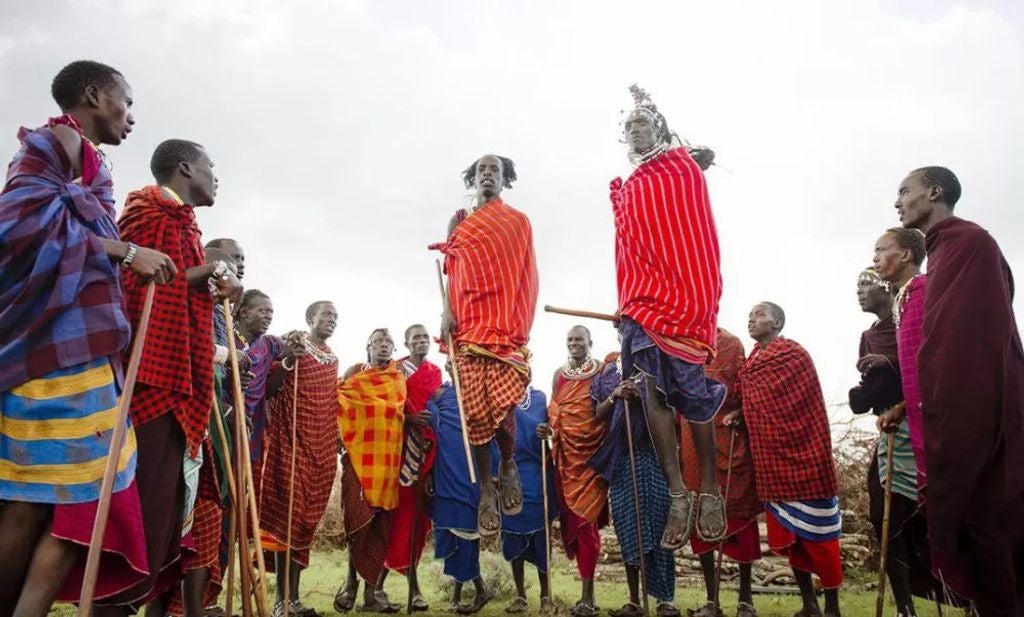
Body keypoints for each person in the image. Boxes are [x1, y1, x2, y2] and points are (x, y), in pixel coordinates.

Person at [0, 59, 175, 616]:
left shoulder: (87, 162)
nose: (131, 117)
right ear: (96, 94)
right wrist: (127, 251)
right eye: (127, 101)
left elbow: (72, 228)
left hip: (85, 352)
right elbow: (18, 225)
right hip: (49, 351)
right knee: (33, 502)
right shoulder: (56, 142)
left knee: (75, 501)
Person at [98, 139, 241, 614]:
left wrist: (211, 277)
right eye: (210, 165)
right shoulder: (151, 211)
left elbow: (178, 281)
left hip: (181, 383)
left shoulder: (183, 222)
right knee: (141, 508)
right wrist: (206, 272)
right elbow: (144, 293)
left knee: (162, 514)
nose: (216, 176)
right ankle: (110, 605)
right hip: (152, 382)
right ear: (185, 168)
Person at [896, 166, 1024, 615]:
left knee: (989, 523)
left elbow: (975, 339)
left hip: (979, 410)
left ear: (934, 192)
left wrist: (954, 403)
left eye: (905, 191)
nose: (898, 203)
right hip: (951, 406)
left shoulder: (971, 243)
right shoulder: (943, 252)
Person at [611, 84, 726, 550]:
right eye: (628, 126)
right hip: (641, 298)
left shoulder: (679, 167)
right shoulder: (635, 184)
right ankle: (678, 492)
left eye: (641, 123)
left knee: (693, 392)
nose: (634, 130)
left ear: (658, 127)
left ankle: (710, 490)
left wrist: (654, 106)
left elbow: (690, 217)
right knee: (649, 391)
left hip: (685, 294)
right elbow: (632, 243)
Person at [430, 153, 539, 537]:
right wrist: (445, 313)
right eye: (482, 170)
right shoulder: (460, 221)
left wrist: (519, 323)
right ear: (473, 178)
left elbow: (526, 275)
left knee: (503, 400)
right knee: (474, 412)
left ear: (505, 178)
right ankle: (487, 488)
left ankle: (508, 463)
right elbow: (452, 273)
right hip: (468, 328)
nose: (488, 175)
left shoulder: (518, 222)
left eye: (495, 170)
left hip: (504, 327)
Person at [849, 267, 941, 617]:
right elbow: (871, 388)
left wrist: (888, 364)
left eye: (865, 284)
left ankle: (957, 591)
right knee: (882, 513)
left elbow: (928, 366)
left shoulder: (912, 320)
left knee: (926, 511)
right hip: (888, 428)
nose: (859, 292)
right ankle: (905, 607)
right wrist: (864, 394)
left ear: (886, 288)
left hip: (921, 422)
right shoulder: (868, 335)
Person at [741, 302, 842, 617]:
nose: (751, 319)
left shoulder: (794, 356)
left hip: (807, 458)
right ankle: (809, 603)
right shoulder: (752, 362)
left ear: (777, 322)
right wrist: (737, 415)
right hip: (771, 462)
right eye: (749, 316)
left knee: (822, 539)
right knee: (791, 537)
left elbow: (806, 403)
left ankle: (833, 607)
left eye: (758, 314)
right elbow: (752, 405)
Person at [259, 301, 340, 617]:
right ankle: (281, 601)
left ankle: (293, 599)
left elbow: (330, 401)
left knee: (304, 524)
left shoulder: (332, 358)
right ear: (310, 319)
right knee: (288, 519)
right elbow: (271, 386)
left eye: (336, 317)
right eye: (326, 315)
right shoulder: (292, 343)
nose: (332, 320)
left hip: (321, 448)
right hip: (292, 443)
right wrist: (290, 360)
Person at [589, 350, 677, 617]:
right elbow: (598, 413)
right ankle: (634, 600)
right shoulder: (608, 370)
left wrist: (645, 396)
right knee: (629, 528)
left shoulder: (658, 365)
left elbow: (674, 412)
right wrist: (615, 394)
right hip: (621, 459)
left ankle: (665, 601)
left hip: (654, 456)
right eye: (620, 326)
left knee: (659, 525)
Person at [682, 328, 761, 617]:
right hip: (692, 438)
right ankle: (712, 600)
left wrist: (739, 413)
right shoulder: (679, 343)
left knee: (738, 514)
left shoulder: (730, 343)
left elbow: (746, 389)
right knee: (699, 514)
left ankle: (745, 599)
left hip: (727, 436)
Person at [334, 329, 407, 614]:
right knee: (357, 521)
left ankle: (370, 593)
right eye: (378, 341)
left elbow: (401, 414)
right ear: (368, 345)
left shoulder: (397, 378)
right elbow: (338, 402)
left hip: (387, 463)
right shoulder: (355, 372)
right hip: (358, 460)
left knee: (380, 527)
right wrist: (341, 436)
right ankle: (350, 582)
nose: (384, 346)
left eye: (388, 342)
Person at [537, 326, 606, 617]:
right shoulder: (559, 374)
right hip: (565, 461)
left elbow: (603, 411)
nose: (574, 344)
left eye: (580, 339)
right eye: (570, 340)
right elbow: (557, 411)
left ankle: (588, 598)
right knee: (573, 526)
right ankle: (580, 595)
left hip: (590, 461)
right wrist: (547, 428)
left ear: (591, 343)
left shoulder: (602, 371)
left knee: (586, 526)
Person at [377, 325, 442, 612]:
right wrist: (409, 420)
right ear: (406, 343)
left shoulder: (434, 372)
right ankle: (392, 586)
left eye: (425, 338)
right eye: (415, 338)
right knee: (398, 521)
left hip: (425, 453)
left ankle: (392, 586)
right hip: (396, 452)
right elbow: (385, 407)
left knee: (417, 522)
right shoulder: (395, 370)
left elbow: (440, 408)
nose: (421, 342)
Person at [428, 378, 492, 615]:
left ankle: (481, 589)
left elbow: (488, 434)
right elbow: (432, 426)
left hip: (469, 475)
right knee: (453, 535)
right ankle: (457, 596)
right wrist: (433, 405)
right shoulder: (441, 394)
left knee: (466, 535)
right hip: (445, 473)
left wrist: (491, 477)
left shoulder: (477, 395)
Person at [501, 386, 557, 615]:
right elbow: (495, 433)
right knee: (512, 533)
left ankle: (545, 595)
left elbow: (552, 427)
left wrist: (548, 431)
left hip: (536, 472)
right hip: (509, 471)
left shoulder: (539, 398)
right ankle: (520, 596)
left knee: (541, 536)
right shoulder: (500, 397)